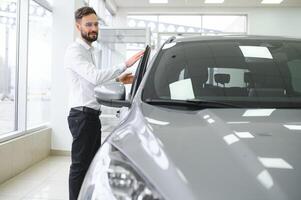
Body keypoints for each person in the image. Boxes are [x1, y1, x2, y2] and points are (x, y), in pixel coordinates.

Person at [64, 6, 144, 200]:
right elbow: (94, 76)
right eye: (88, 25)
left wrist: (118, 80)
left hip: (90, 115)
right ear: (78, 26)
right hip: (82, 115)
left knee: (91, 165)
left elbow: (91, 82)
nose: (93, 28)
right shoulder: (75, 51)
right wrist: (124, 64)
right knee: (80, 166)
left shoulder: (88, 51)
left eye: (96, 24)